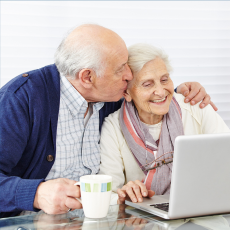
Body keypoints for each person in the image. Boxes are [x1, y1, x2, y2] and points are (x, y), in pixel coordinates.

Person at [0, 25, 215, 218]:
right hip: (33, 222)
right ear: (87, 77)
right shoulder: (22, 99)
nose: (130, 75)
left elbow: (146, 97)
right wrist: (36, 194)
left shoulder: (110, 96)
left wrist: (182, 92)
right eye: (121, 68)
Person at [99, 43, 230, 205]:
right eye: (147, 84)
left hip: (204, 205)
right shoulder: (113, 126)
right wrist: (123, 194)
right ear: (127, 92)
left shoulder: (196, 106)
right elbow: (108, 193)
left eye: (164, 80)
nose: (161, 92)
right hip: (142, 219)